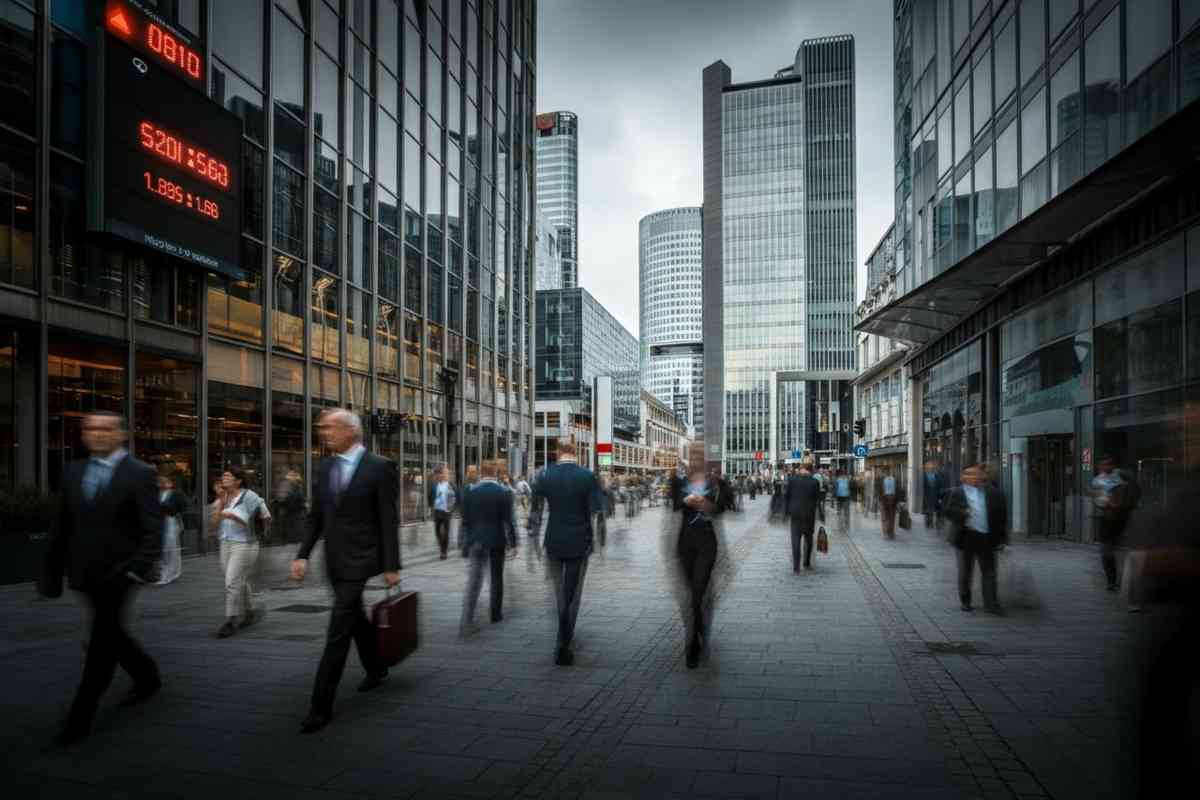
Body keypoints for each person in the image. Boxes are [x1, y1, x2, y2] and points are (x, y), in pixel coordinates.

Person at [39, 411, 163, 745]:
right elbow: (61, 525)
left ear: (121, 434)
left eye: (106, 429)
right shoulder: (73, 471)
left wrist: (137, 568)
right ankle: (146, 674)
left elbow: (153, 529)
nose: (97, 434)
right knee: (111, 631)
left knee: (101, 639)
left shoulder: (140, 474)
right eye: (91, 428)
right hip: (84, 571)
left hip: (121, 574)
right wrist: (50, 572)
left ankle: (80, 715)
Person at [291, 409, 400, 734]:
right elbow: (316, 516)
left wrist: (392, 565)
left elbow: (387, 520)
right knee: (353, 618)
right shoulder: (325, 467)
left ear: (351, 431)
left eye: (329, 427)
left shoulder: (380, 468)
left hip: (363, 559)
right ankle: (377, 667)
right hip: (334, 559)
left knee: (338, 629)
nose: (324, 433)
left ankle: (319, 707)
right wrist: (302, 555)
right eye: (322, 428)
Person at [528, 437, 602, 666]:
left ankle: (563, 636)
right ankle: (564, 641)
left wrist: (533, 546)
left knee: (558, 591)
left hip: (554, 541)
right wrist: (597, 541)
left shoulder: (545, 475)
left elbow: (536, 512)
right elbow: (595, 512)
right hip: (579, 542)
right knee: (573, 593)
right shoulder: (587, 476)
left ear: (557, 452)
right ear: (575, 452)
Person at [672, 466, 724, 668]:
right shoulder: (680, 484)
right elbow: (675, 505)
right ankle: (700, 627)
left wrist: (705, 504)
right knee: (693, 595)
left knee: (697, 592)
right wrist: (685, 500)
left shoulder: (715, 485)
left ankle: (693, 643)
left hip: (707, 545)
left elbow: (721, 508)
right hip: (685, 545)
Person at [212, 466, 271, 638]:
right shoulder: (223, 497)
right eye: (223, 477)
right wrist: (221, 505)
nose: (224, 479)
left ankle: (231, 620)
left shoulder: (249, 496)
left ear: (238, 480)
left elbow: (266, 516)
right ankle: (251, 611)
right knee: (237, 579)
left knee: (231, 581)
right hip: (226, 543)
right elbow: (215, 523)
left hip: (245, 544)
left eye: (228, 477)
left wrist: (262, 527)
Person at [460, 459, 517, 635]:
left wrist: (464, 542)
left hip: (475, 541)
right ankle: (495, 614)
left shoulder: (469, 492)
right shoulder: (504, 492)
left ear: (480, 473)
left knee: (474, 581)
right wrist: (513, 543)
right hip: (496, 540)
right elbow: (509, 521)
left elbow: (466, 520)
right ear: (495, 473)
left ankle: (466, 621)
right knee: (496, 578)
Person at [943, 464, 1008, 613]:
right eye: (970, 474)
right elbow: (947, 511)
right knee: (966, 572)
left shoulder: (994, 493)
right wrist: (963, 513)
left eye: (976, 474)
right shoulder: (957, 492)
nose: (974, 477)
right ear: (963, 477)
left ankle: (991, 603)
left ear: (982, 476)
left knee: (989, 572)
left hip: (986, 537)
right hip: (965, 537)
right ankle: (965, 601)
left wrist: (1003, 540)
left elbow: (1001, 517)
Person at [1091, 455, 1140, 591]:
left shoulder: (1123, 476)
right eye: (1102, 465)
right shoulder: (1097, 480)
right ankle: (1111, 581)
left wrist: (1120, 502)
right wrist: (1106, 502)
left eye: (1107, 464)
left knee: (1125, 550)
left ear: (1112, 465)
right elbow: (1098, 499)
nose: (1104, 467)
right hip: (1107, 519)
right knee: (1107, 551)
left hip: (1123, 518)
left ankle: (1127, 580)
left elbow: (1133, 492)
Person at [784, 463, 823, 573]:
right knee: (809, 539)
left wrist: (786, 512)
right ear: (810, 471)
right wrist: (820, 513)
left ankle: (796, 567)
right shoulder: (815, 482)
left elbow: (787, 496)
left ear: (803, 469)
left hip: (795, 514)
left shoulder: (792, 480)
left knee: (795, 540)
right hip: (809, 514)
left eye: (800, 469)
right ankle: (806, 562)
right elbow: (817, 499)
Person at [157, 474, 186, 585]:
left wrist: (172, 511)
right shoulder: (158, 494)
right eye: (160, 482)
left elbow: (182, 507)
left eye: (165, 482)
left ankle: (170, 574)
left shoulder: (176, 494)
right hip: (161, 524)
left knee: (171, 548)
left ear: (170, 483)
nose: (162, 484)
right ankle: (170, 573)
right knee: (166, 548)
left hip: (171, 523)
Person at [428, 465, 457, 560]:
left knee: (446, 532)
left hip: (446, 512)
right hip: (437, 511)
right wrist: (430, 507)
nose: (446, 475)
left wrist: (452, 509)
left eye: (447, 473)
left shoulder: (451, 485)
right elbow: (430, 496)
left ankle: (443, 552)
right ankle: (442, 546)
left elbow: (457, 497)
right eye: (445, 473)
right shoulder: (434, 485)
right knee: (437, 531)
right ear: (439, 475)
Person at [275, 468, 306, 544]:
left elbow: (294, 501)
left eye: (292, 476)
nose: (289, 478)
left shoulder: (296, 489)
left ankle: (291, 541)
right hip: (293, 515)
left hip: (294, 515)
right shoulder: (295, 488)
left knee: (293, 533)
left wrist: (284, 503)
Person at [923, 461, 943, 530]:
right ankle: (928, 522)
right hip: (927, 496)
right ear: (926, 468)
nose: (930, 468)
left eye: (931, 467)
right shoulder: (923, 476)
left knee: (933, 509)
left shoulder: (937, 476)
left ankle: (931, 522)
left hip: (934, 495)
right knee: (928, 510)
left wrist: (940, 497)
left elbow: (939, 486)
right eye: (928, 467)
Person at [879, 468, 899, 538]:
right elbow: (879, 490)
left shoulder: (895, 480)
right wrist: (880, 499)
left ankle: (891, 532)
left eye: (886, 472)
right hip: (884, 499)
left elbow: (898, 489)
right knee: (886, 517)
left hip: (893, 499)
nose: (885, 474)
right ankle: (886, 531)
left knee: (892, 517)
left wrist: (898, 500)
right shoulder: (881, 480)